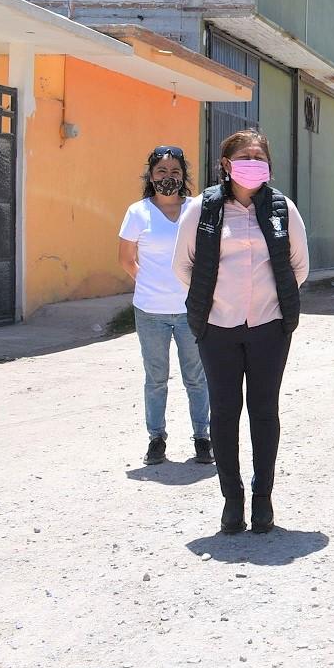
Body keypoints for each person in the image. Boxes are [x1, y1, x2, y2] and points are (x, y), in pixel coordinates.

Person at [174, 129, 309, 535]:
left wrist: (269, 301)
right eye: (245, 156)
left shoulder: (283, 208)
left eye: (260, 156)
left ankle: (263, 500)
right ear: (227, 164)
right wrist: (214, 301)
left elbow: (298, 266)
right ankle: (232, 502)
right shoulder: (203, 209)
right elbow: (184, 266)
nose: (254, 163)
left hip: (269, 327)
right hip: (218, 328)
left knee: (264, 412)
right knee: (226, 413)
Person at [118, 145, 211, 466]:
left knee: (196, 378)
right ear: (151, 175)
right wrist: (151, 283)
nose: (168, 178)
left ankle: (203, 438)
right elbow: (126, 259)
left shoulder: (197, 210)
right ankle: (156, 439)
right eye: (161, 172)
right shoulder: (137, 212)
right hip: (150, 312)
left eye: (175, 172)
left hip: (191, 310)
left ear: (184, 175)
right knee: (155, 378)